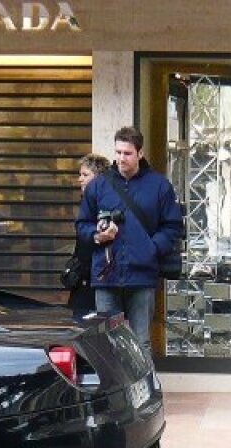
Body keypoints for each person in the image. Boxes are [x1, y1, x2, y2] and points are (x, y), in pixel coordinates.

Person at [77, 126, 183, 350]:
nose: (120, 158)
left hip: (142, 276)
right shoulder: (98, 185)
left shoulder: (160, 186)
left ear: (139, 154)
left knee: (140, 342)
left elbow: (173, 227)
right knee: (107, 343)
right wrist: (97, 236)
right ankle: (114, 386)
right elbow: (82, 224)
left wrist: (151, 248)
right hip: (106, 276)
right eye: (117, 152)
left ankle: (144, 385)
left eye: (127, 153)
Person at [68, 152, 108, 318]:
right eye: (80, 174)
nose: (80, 179)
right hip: (82, 281)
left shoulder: (105, 205)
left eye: (85, 175)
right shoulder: (85, 202)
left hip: (96, 281)